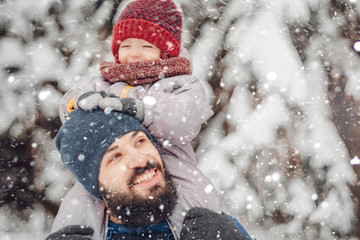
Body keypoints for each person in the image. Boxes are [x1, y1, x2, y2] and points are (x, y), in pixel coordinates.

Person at [53, 0, 223, 239]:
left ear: (164, 52)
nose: (134, 53)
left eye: (145, 45)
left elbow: (183, 119)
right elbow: (74, 119)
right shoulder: (105, 81)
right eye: (126, 45)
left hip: (169, 163)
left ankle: (205, 230)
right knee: (82, 199)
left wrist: (142, 109)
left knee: (193, 196)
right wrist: (75, 103)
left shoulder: (179, 82)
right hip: (113, 172)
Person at [47, 109, 252, 240]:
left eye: (140, 142)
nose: (140, 160)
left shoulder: (211, 229)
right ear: (96, 185)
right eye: (115, 156)